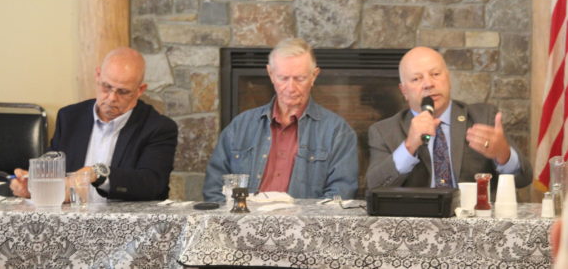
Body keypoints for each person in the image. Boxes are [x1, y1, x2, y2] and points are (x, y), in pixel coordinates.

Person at [10, 47, 178, 201]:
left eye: (123, 92)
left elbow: (152, 184)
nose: (112, 98)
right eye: (106, 87)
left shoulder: (158, 128)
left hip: (127, 227)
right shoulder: (70, 118)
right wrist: (33, 187)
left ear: (140, 90)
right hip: (72, 222)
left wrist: (98, 174)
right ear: (98, 76)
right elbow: (54, 170)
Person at [203, 38, 359, 201]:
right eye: (283, 78)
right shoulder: (240, 126)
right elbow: (214, 189)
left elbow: (340, 195)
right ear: (271, 74)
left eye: (300, 79)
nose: (291, 88)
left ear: (314, 76)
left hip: (303, 224)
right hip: (245, 222)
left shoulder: (338, 131)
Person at [366, 46, 532, 192]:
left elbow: (524, 179)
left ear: (448, 78)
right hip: (416, 224)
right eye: (416, 79)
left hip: (474, 222)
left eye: (435, 74)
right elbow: (374, 188)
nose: (428, 84)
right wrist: (409, 147)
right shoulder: (384, 131)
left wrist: (503, 154)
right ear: (404, 91)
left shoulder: (483, 117)